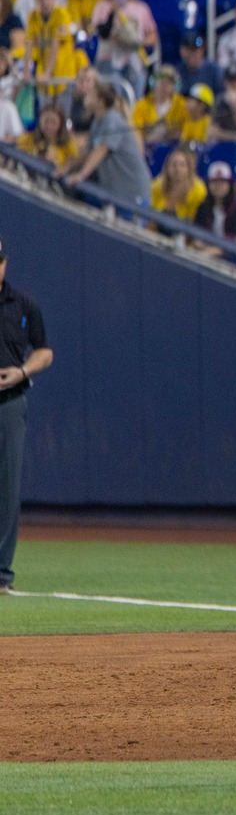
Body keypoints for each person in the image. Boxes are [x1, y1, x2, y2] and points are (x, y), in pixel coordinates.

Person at [0, 239, 51, 593]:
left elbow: (44, 351)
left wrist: (22, 371)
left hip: (10, 400)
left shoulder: (23, 305)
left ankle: (1, 572)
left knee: (7, 487)